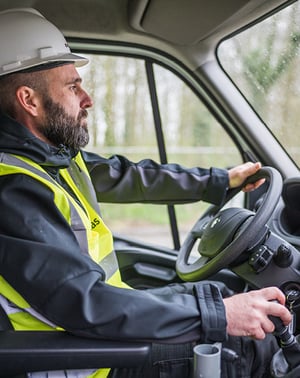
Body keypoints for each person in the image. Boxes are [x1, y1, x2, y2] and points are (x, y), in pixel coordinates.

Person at [0, 7, 292, 378]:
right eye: (72, 86)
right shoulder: (13, 190)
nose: (87, 98)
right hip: (83, 361)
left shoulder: (52, 159)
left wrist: (221, 181)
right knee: (246, 345)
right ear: (30, 100)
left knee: (224, 289)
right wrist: (221, 316)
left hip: (99, 334)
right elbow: (83, 302)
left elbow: (128, 175)